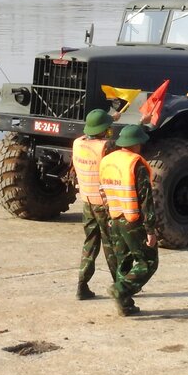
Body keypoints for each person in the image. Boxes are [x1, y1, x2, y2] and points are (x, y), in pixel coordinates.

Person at [99, 124, 159, 316]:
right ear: (136, 144)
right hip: (133, 220)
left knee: (123, 261)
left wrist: (109, 216)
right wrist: (151, 230)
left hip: (115, 217)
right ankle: (121, 290)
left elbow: (103, 191)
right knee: (148, 262)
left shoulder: (107, 160)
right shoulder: (136, 164)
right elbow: (146, 200)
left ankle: (125, 305)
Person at [71, 108, 118, 300]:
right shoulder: (105, 147)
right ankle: (120, 285)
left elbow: (90, 135)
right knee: (112, 245)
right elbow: (127, 145)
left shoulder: (77, 143)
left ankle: (82, 286)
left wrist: (110, 119)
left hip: (87, 202)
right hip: (104, 205)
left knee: (90, 244)